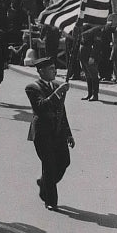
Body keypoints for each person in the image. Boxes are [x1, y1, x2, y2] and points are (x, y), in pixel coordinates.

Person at [25, 56, 75, 210]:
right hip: (42, 133)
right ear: (41, 71)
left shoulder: (55, 86)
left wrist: (68, 133)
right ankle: (50, 201)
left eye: (55, 68)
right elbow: (41, 107)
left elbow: (62, 111)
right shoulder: (32, 88)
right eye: (51, 69)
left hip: (58, 131)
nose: (55, 71)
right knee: (49, 165)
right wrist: (58, 93)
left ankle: (45, 182)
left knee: (64, 161)